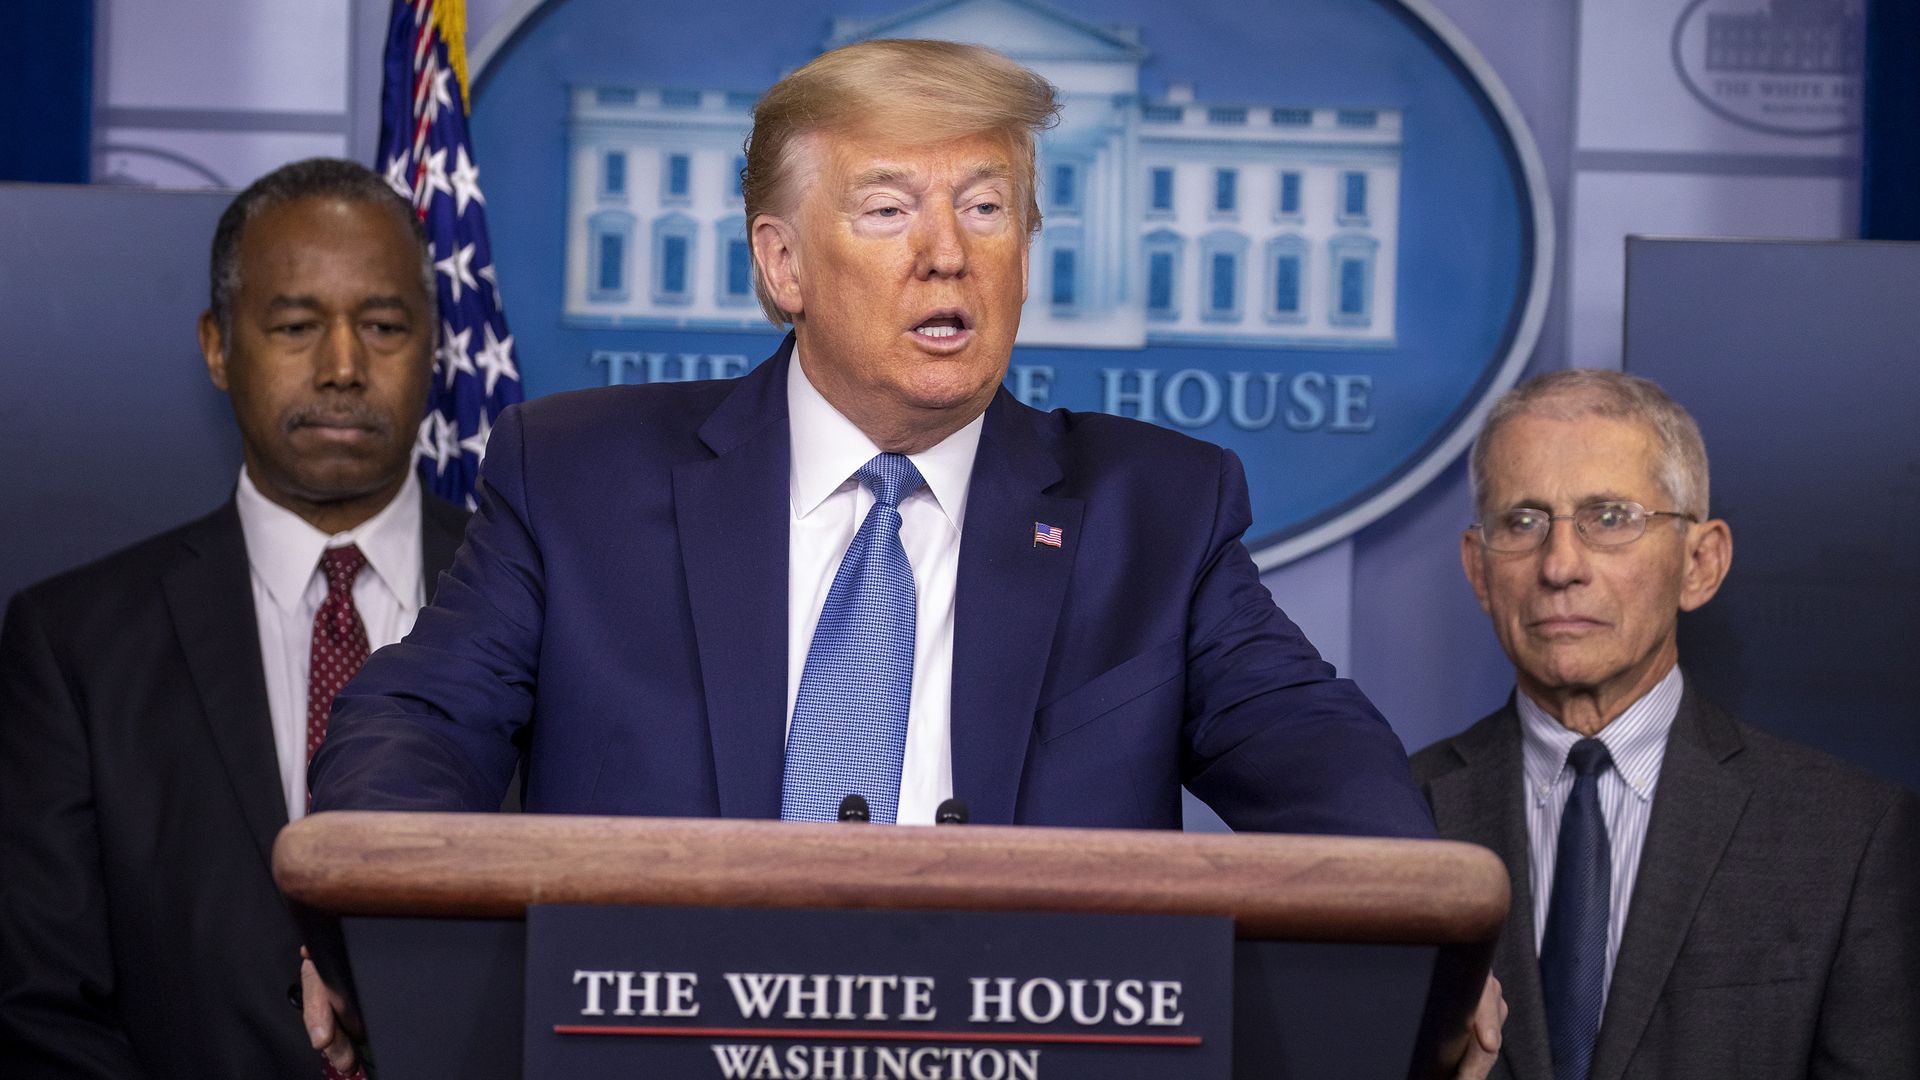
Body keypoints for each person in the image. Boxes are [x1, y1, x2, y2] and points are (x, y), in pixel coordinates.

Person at [308, 39, 1496, 1075]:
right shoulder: (578, 478)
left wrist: (1428, 948)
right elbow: (417, 725)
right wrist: (359, 920)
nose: (949, 255)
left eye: (986, 208)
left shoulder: (1156, 509)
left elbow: (1312, 748)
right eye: (887, 210)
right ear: (782, 264)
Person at [0, 158, 468, 1079]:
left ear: (435, 348)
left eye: (382, 325)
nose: (342, 367)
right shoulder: (73, 648)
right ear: (217, 348)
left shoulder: (551, 608)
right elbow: (38, 1004)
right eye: (296, 326)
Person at [1410, 369, 1919, 1080]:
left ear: (1700, 564)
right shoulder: (1400, 816)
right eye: (1523, 522)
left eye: (1609, 517)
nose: (1560, 564)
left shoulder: (1850, 836)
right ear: (1478, 570)